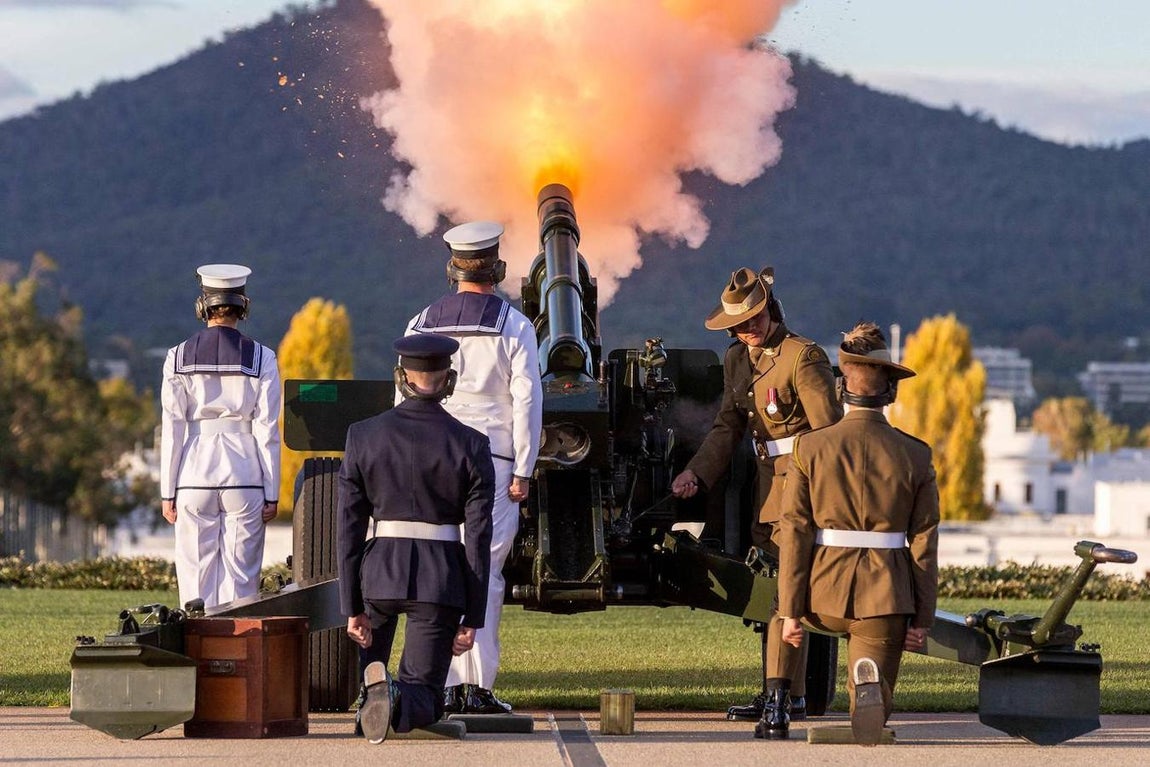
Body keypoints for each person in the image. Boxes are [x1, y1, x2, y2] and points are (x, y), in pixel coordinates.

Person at [670, 266, 841, 736]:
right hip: (767, 487)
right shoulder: (737, 360)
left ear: (770, 310)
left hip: (801, 485)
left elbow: (828, 435)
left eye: (753, 319)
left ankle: (781, 698)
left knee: (787, 592)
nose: (746, 330)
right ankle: (787, 693)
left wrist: (824, 497)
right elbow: (729, 426)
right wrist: (696, 474)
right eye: (737, 325)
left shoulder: (802, 357)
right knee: (775, 592)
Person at [393, 219, 543, 716]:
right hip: (493, 459)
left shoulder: (422, 322)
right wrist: (524, 467)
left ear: (452, 267)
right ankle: (475, 686)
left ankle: (437, 682)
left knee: (438, 571)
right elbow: (527, 401)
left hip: (430, 459)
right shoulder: (515, 325)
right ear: (497, 268)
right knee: (485, 571)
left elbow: (404, 396)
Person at [775, 321, 939, 744]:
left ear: (840, 389)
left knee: (815, 620)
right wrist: (920, 619)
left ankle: (785, 696)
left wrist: (792, 610)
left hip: (820, 593)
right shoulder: (916, 455)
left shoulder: (810, 447)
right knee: (875, 693)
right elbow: (924, 543)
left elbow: (794, 531)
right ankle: (867, 684)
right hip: (885, 595)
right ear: (890, 392)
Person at [338, 333, 495, 743]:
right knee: (426, 695)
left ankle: (373, 697)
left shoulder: (362, 435)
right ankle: (394, 695)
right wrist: (472, 618)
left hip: (378, 575)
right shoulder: (472, 444)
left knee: (374, 675)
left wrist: (351, 607)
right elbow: (478, 537)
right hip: (439, 578)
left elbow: (349, 528)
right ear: (449, 379)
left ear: (401, 377)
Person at [160, 264, 281, 610]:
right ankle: (238, 660)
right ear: (243, 305)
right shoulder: (263, 357)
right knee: (242, 585)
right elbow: (268, 429)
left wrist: (167, 492)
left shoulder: (177, 357)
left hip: (193, 476)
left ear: (203, 307)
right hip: (245, 477)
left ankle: (197, 658)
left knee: (195, 584)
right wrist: (272, 493)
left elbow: (173, 427)